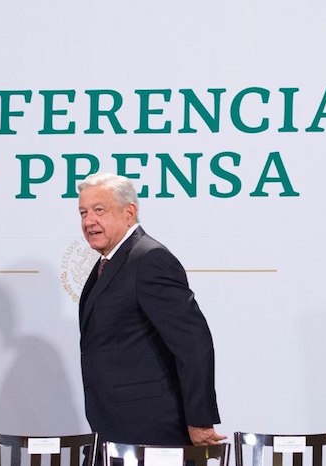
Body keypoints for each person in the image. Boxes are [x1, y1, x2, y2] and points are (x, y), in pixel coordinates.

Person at [77, 172, 225, 446]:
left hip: (152, 430)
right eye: (83, 212)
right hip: (115, 426)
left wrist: (200, 419)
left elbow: (193, 342)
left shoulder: (149, 260)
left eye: (99, 210)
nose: (89, 221)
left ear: (129, 212)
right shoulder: (109, 263)